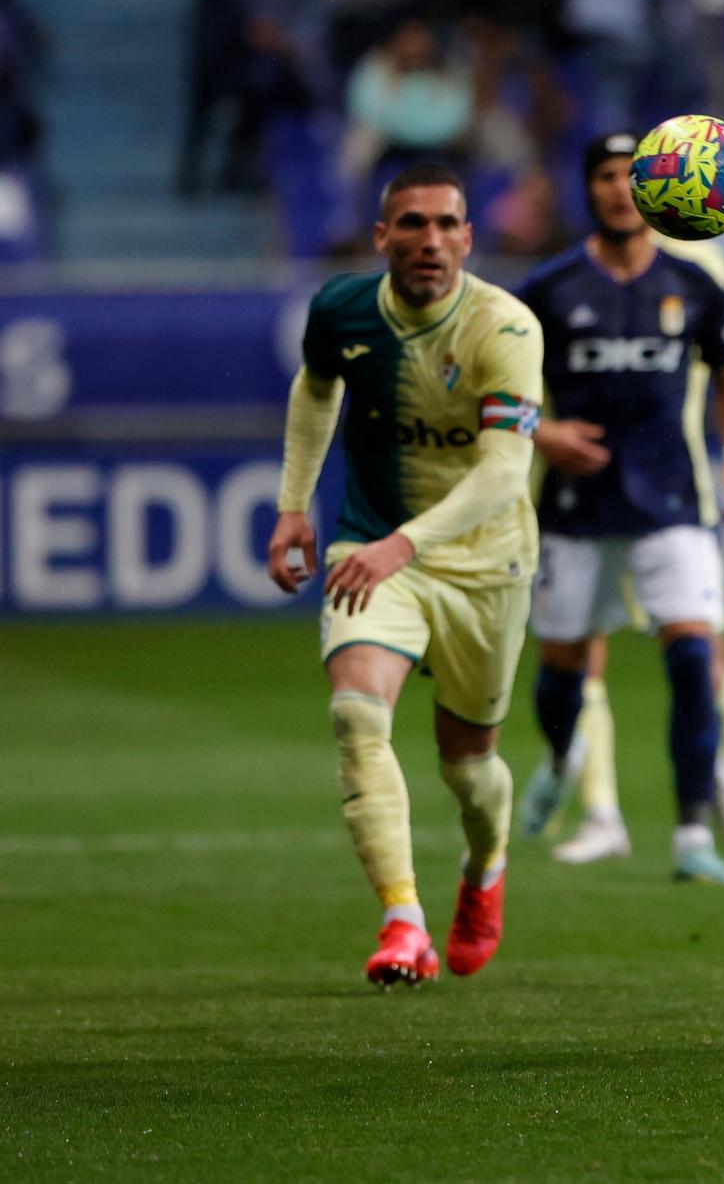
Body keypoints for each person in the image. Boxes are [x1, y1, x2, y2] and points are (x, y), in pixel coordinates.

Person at [266, 163, 543, 988]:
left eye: (445, 224)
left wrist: (405, 545)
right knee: (356, 716)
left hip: (487, 563)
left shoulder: (507, 327)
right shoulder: (342, 310)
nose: (430, 240)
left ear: (468, 236)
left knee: (468, 767)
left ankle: (485, 867)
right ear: (382, 235)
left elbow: (502, 474)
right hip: (371, 544)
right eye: (411, 224)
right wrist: (294, 504)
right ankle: (402, 920)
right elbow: (316, 387)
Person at [514, 134, 724, 885]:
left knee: (692, 657)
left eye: (632, 178)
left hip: (671, 503)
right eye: (606, 177)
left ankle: (690, 833)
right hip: (574, 507)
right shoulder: (549, 289)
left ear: (656, 192)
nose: (620, 191)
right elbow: (495, 389)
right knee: (562, 669)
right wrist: (542, 429)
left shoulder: (693, 284)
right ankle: (562, 760)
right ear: (587, 190)